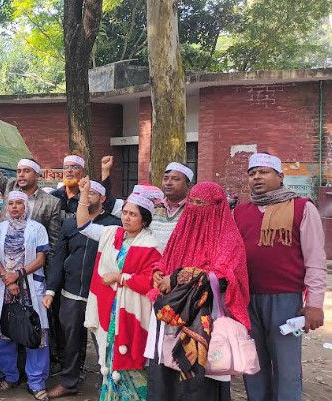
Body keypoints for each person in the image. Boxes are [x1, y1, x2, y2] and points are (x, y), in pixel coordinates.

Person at [145, 181, 250, 400]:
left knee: (198, 383)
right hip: (170, 316)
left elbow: (223, 278)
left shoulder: (228, 238)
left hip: (203, 319)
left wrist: (175, 278)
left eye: (200, 203)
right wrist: (158, 272)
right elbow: (167, 260)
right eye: (190, 202)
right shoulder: (182, 231)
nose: (193, 208)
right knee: (164, 374)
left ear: (216, 206)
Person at [234, 153, 326, 401]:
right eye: (252, 174)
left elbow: (315, 260)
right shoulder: (241, 212)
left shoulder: (302, 208)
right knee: (253, 363)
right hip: (247, 300)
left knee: (287, 367)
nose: (257, 178)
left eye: (263, 172)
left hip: (286, 302)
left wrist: (315, 304)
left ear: (280, 176)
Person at [77, 177, 162, 401]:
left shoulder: (151, 245)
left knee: (131, 359)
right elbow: (83, 225)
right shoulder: (111, 233)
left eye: (133, 214)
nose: (126, 217)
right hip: (110, 307)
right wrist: (84, 194)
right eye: (125, 212)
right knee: (109, 356)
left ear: (145, 220)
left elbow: (150, 282)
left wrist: (119, 277)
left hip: (133, 311)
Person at [44, 180, 121, 398]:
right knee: (71, 342)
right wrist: (51, 291)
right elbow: (58, 259)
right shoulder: (70, 225)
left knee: (104, 342)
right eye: (84, 193)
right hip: (71, 292)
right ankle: (69, 382)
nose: (86, 197)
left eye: (92, 193)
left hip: (102, 294)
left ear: (104, 198)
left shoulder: (114, 226)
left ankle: (110, 384)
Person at [0, 191, 51, 400]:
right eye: (11, 204)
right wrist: (7, 279)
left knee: (35, 334)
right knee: (4, 333)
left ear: (26, 207)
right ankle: (10, 376)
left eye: (19, 204)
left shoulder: (37, 229)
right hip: (5, 287)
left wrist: (17, 275)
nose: (14, 207)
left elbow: (41, 258)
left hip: (30, 287)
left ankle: (36, 382)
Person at [49, 153, 117, 218]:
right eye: (66, 167)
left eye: (75, 167)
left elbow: (104, 198)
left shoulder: (89, 196)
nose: (69, 170)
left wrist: (105, 170)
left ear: (82, 172)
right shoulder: (53, 196)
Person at [150, 162, 194, 252]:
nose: (168, 183)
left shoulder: (193, 211)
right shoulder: (153, 209)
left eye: (175, 179)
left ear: (188, 186)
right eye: (165, 179)